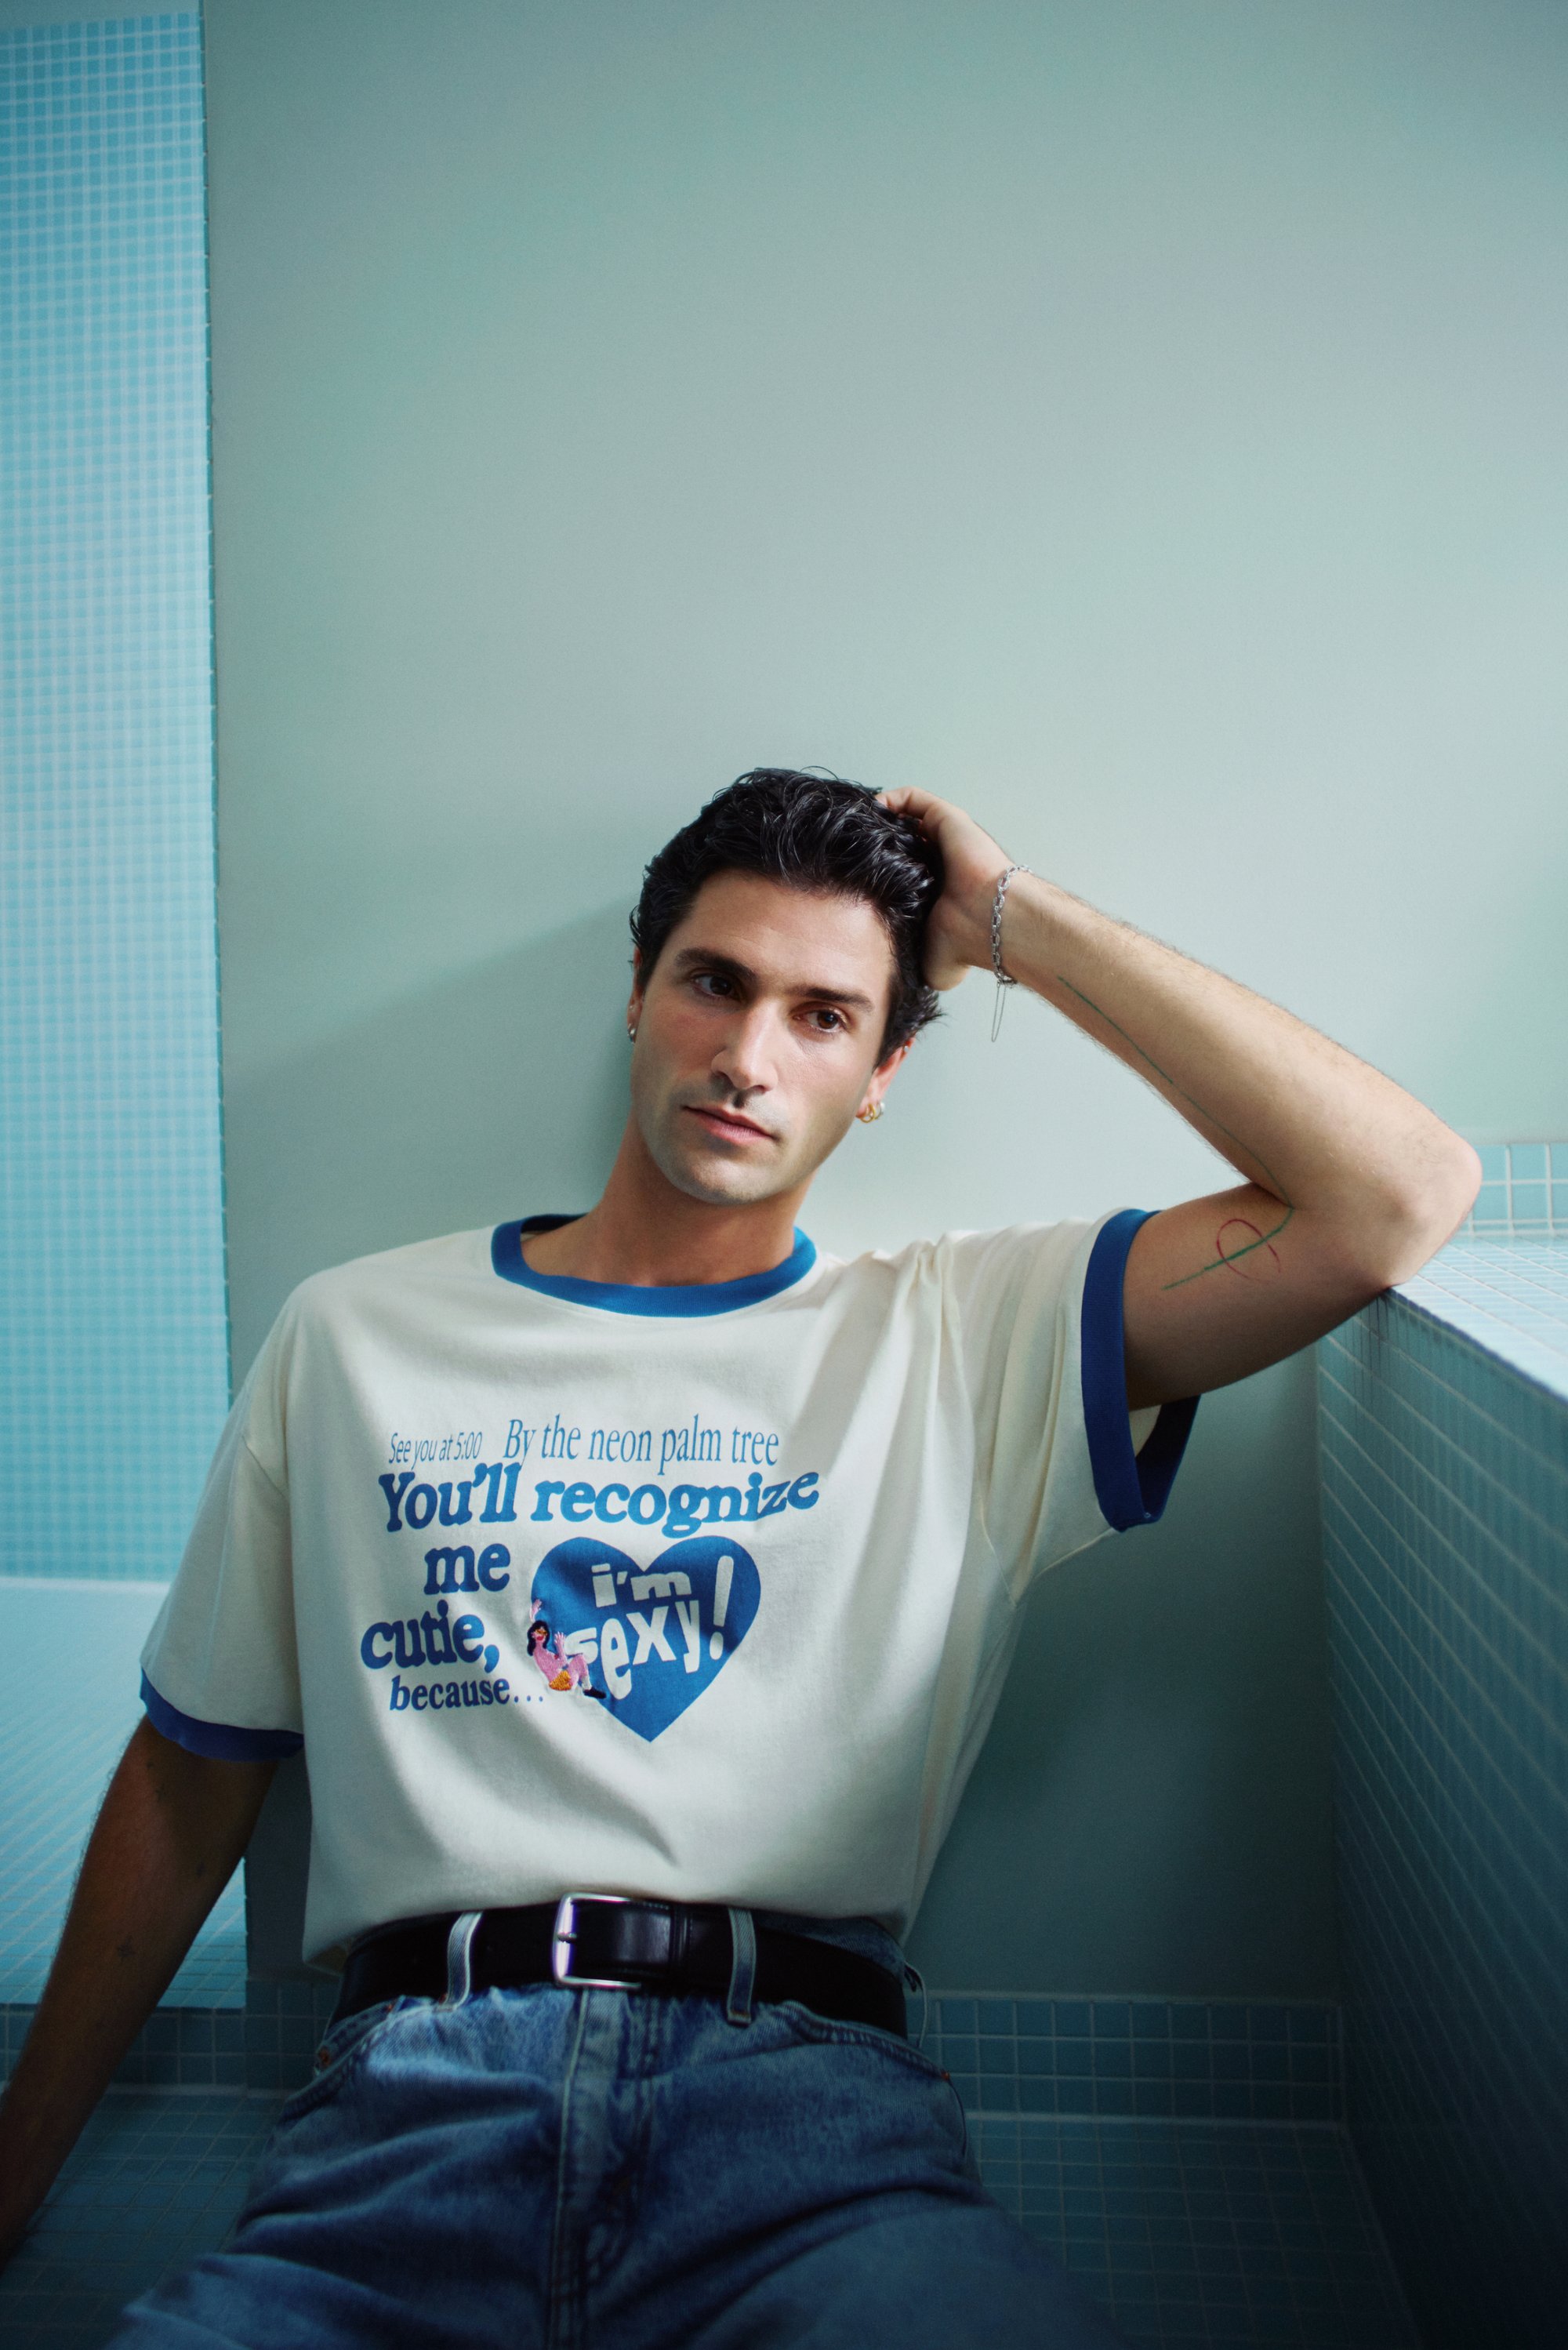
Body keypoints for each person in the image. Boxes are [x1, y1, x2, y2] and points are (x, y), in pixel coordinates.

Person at [0, 770, 1479, 2346]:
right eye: (714, 980)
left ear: (884, 1069)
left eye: (824, 1015)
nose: (748, 1055)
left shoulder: (960, 1334)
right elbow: (190, 1770)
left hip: (813, 2134)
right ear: (637, 993)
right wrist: (18, 2173)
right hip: (401, 2126)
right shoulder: (356, 1333)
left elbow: (1391, 1196)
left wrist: (1007, 922)